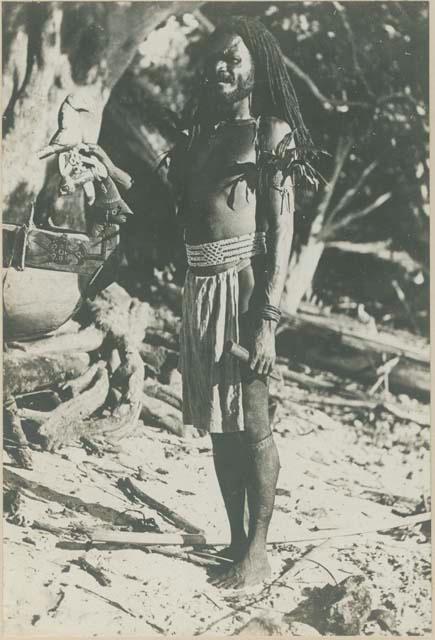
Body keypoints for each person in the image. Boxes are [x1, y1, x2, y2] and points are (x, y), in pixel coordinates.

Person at [165, 16, 320, 590]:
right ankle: (235, 540)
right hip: (200, 286)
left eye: (233, 57)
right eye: (215, 58)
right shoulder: (202, 135)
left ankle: (258, 554)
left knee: (253, 424)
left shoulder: (270, 133)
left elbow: (281, 233)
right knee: (220, 425)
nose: (220, 67)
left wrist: (267, 323)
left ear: (257, 64)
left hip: (243, 288)